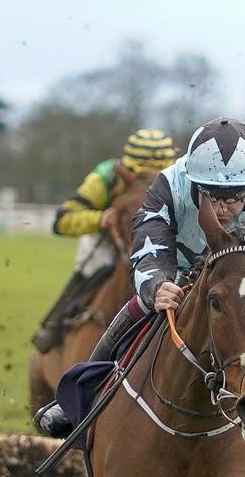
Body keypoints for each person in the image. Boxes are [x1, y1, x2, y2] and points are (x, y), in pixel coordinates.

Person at [33, 117, 245, 477]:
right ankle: (78, 401)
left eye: (235, 197)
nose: (224, 208)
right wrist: (156, 284)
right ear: (193, 183)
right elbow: (147, 247)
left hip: (242, 278)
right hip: (180, 267)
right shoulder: (167, 185)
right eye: (212, 196)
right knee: (141, 307)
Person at [31, 129, 177, 353]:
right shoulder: (105, 177)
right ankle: (54, 325)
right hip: (111, 241)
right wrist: (101, 218)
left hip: (163, 241)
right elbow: (62, 221)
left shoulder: (182, 178)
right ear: (127, 169)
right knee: (92, 268)